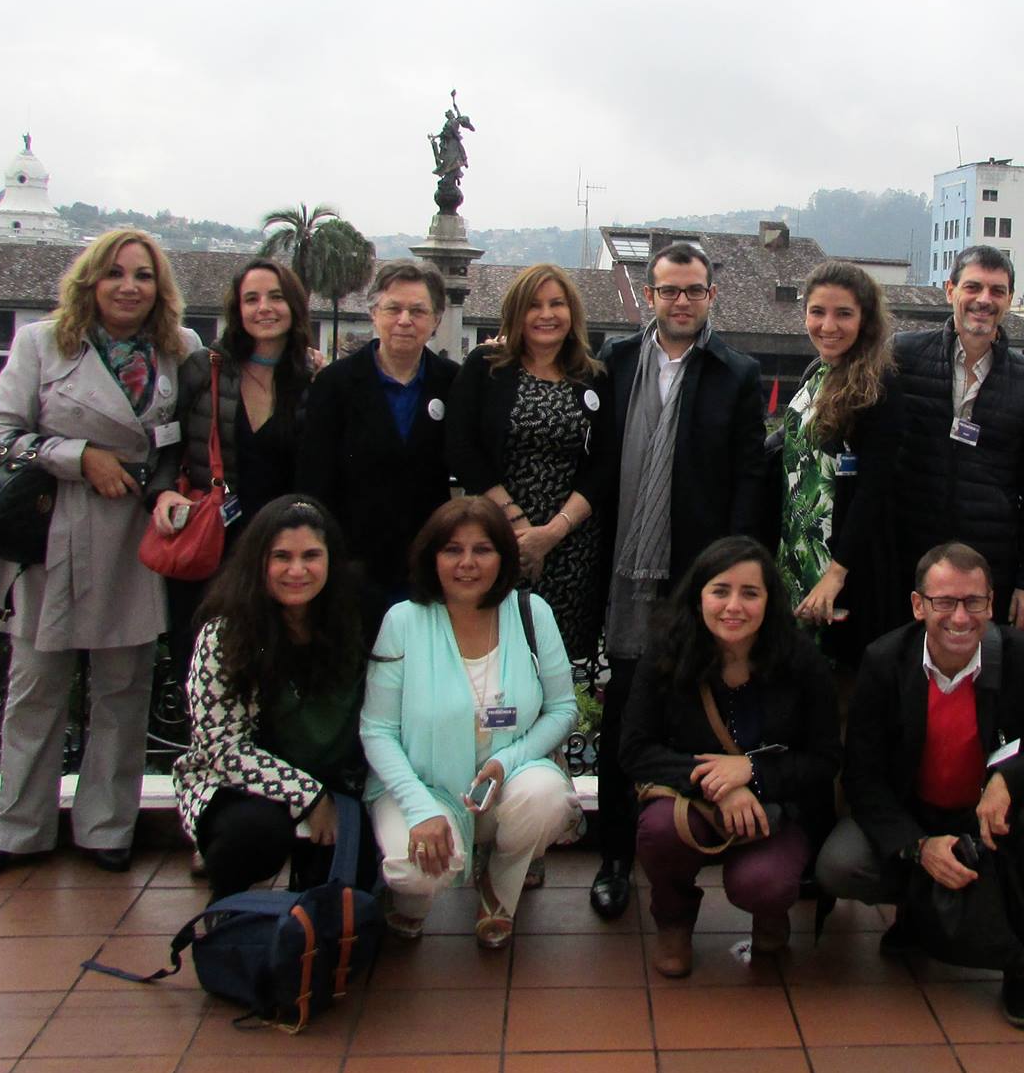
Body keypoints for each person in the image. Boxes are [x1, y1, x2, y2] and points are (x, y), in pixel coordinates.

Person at [0, 229, 200, 878]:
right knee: (35, 687)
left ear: (160, 288)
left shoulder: (181, 350)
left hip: (137, 533)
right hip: (55, 531)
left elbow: (197, 434)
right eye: (115, 273)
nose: (129, 286)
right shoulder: (42, 343)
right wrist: (79, 457)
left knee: (123, 690)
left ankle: (106, 825)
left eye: (144, 275)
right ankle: (19, 826)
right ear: (90, 280)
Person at [817, 543, 1024, 1030]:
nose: (961, 618)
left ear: (992, 603)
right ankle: (920, 913)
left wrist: (1010, 778)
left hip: (992, 823)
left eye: (974, 602)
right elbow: (862, 775)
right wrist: (917, 845)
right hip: (917, 816)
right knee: (840, 864)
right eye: (944, 602)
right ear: (918, 605)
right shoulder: (885, 660)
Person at [590, 241, 769, 920]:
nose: (682, 301)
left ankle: (680, 859)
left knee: (692, 710)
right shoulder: (616, 361)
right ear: (650, 295)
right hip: (624, 575)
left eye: (694, 289)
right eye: (669, 290)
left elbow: (748, 475)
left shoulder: (735, 372)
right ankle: (613, 857)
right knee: (622, 715)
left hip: (698, 576)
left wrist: (732, 574)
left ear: (711, 295)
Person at [361, 497, 579, 947]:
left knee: (545, 796)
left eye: (482, 550)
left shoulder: (531, 613)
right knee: (414, 872)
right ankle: (411, 902)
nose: (467, 563)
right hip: (422, 786)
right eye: (452, 550)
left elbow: (562, 709)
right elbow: (377, 731)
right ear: (432, 557)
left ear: (504, 557)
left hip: (506, 782)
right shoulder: (403, 622)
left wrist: (507, 760)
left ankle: (499, 887)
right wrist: (420, 809)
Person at [623, 537, 840, 976]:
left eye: (750, 593)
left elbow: (825, 759)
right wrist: (719, 784)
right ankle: (674, 921)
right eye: (720, 591)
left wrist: (753, 772)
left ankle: (770, 912)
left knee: (762, 883)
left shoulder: (801, 660)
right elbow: (635, 750)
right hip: (695, 802)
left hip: (777, 808)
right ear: (698, 596)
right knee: (661, 829)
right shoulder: (667, 653)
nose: (733, 606)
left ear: (770, 600)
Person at [172, 495, 377, 902]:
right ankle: (227, 909)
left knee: (347, 891)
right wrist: (309, 796)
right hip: (242, 782)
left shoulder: (360, 621)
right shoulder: (224, 635)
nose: (297, 570)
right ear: (258, 562)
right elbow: (223, 748)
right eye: (281, 557)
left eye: (311, 556)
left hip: (342, 778)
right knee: (251, 836)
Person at [151, 258, 317, 683]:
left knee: (272, 664)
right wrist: (163, 490)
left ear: (294, 306)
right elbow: (168, 441)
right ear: (237, 310)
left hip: (279, 546)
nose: (264, 308)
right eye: (252, 299)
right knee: (205, 666)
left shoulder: (310, 379)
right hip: (212, 540)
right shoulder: (204, 368)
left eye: (276, 297)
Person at [448, 263, 612, 665]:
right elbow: (462, 448)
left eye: (557, 304)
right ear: (516, 313)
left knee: (557, 661)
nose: (546, 314)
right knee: (495, 656)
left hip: (571, 546)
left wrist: (552, 533)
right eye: (534, 305)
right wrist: (520, 528)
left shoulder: (592, 376)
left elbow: (605, 464)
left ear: (572, 313)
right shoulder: (487, 366)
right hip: (498, 538)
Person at [890, 245, 1024, 630]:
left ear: (1009, 299)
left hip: (989, 570)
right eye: (973, 287)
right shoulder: (904, 356)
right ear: (950, 290)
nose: (984, 300)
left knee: (983, 667)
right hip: (907, 560)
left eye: (997, 291)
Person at [297, 259, 457, 623]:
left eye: (418, 311)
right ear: (374, 313)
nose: (405, 320)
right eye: (393, 309)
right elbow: (313, 478)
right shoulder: (335, 384)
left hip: (426, 565)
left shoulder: (452, 383)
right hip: (353, 565)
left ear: (436, 320)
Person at [778, 259, 903, 665]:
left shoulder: (878, 386)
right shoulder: (817, 372)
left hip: (843, 565)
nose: (828, 325)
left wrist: (836, 573)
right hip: (798, 550)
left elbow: (874, 490)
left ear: (865, 319)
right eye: (818, 312)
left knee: (838, 677)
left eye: (843, 314)